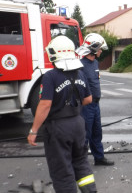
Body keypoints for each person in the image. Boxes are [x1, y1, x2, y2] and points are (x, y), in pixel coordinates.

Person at [27, 36, 97, 193]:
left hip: (58, 128)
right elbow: (88, 99)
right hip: (78, 124)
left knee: (62, 168)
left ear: (54, 54)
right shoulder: (80, 73)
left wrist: (34, 131)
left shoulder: (50, 76)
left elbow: (45, 105)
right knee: (80, 162)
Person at [75, 33, 114, 166]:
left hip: (95, 104)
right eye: (100, 48)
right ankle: (80, 162)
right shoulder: (80, 65)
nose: (101, 51)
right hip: (86, 106)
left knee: (97, 132)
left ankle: (99, 158)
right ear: (93, 49)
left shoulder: (95, 62)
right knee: (85, 134)